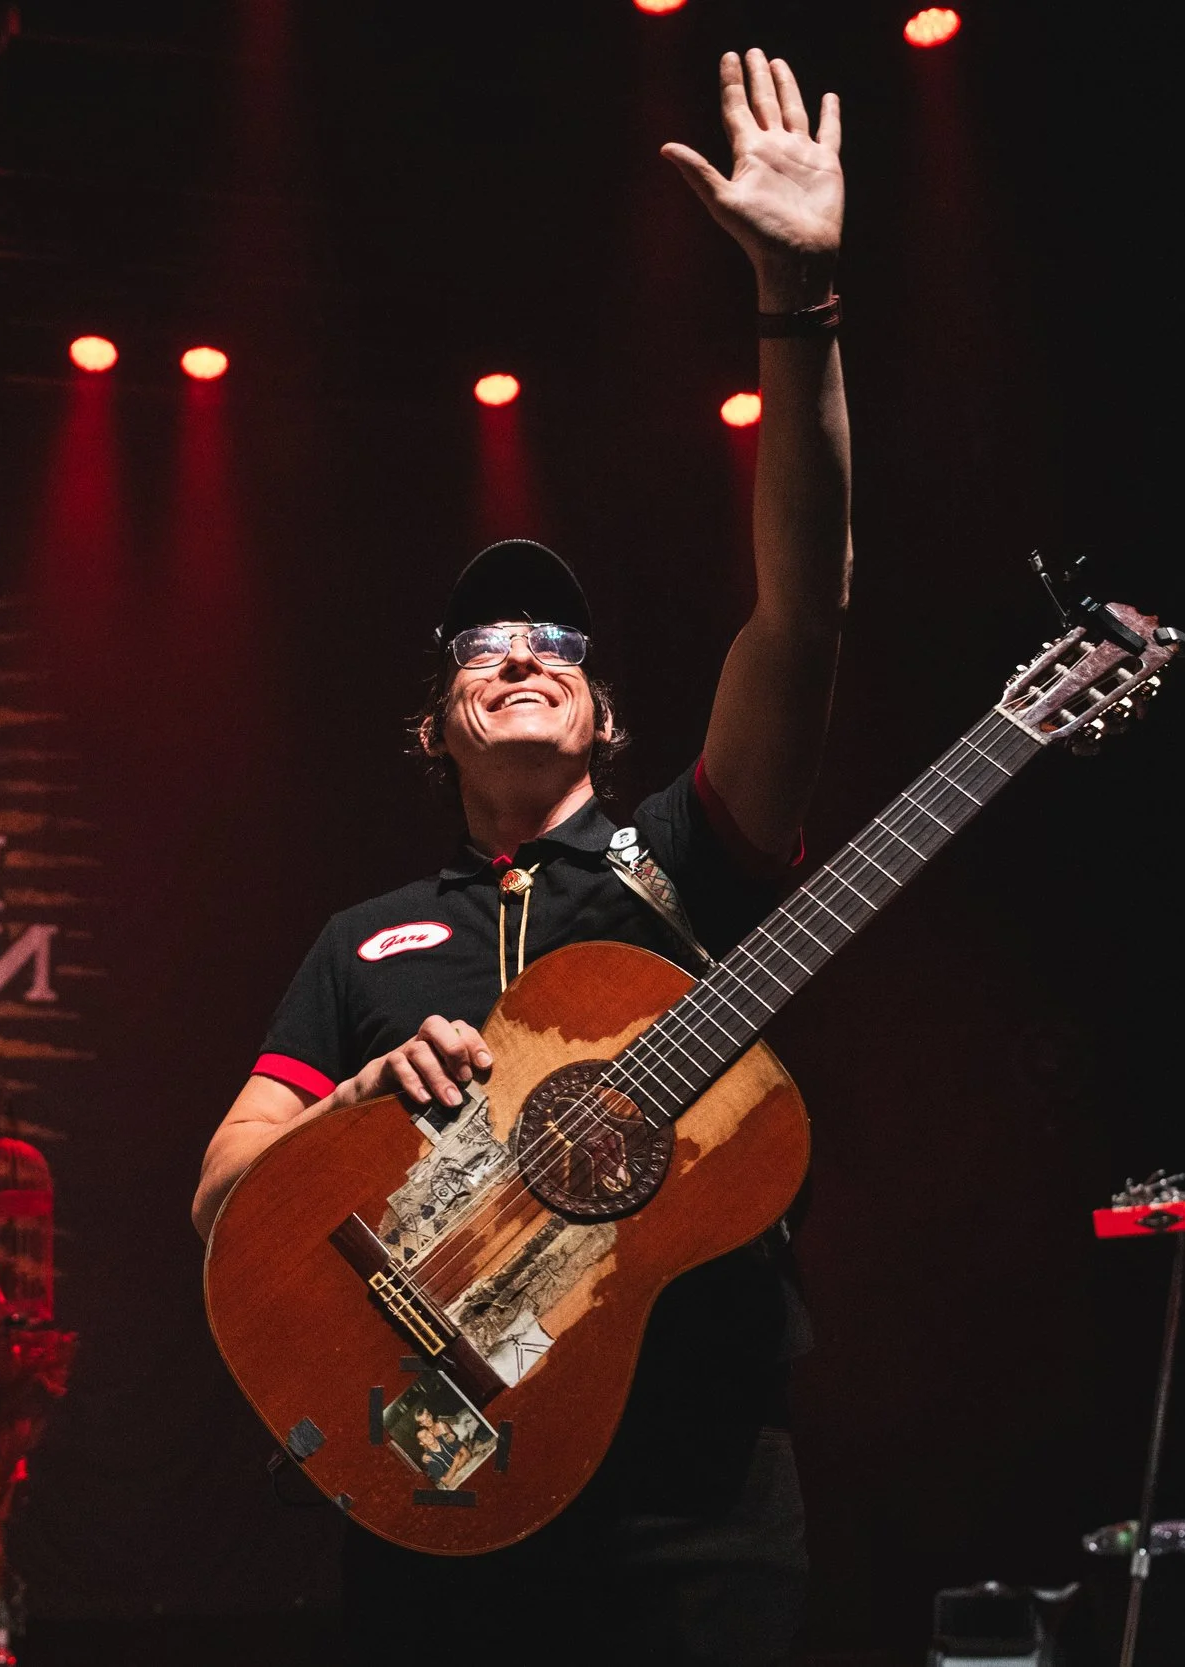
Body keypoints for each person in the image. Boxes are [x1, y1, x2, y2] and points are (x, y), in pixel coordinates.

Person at [192, 48, 850, 1667]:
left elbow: (805, 608)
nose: (523, 651)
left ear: (605, 709)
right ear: (437, 722)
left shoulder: (688, 851)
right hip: (436, 1478)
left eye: (557, 638)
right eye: (484, 641)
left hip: (693, 1495)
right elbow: (219, 1192)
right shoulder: (361, 938)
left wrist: (800, 303)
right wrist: (356, 1100)